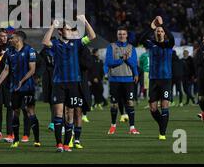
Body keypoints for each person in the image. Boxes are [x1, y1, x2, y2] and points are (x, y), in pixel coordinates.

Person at [42, 15, 96, 152]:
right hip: (58, 83)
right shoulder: (55, 44)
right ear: (60, 31)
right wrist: (53, 26)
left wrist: (85, 21)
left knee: (69, 113)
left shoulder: (77, 42)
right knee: (58, 113)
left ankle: (67, 144)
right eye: (67, 29)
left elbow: (92, 36)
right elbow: (45, 41)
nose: (70, 32)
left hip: (73, 83)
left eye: (71, 30)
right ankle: (59, 144)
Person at [0, 31, 40, 148]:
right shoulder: (9, 52)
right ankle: (16, 139)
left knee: (30, 111)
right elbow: (6, 70)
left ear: (18, 39)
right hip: (14, 88)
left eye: (12, 38)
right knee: (15, 112)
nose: (9, 40)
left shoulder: (30, 50)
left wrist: (21, 81)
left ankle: (37, 139)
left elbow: (32, 69)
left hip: (27, 87)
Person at [139, 16, 174, 140]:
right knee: (153, 108)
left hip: (166, 79)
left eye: (161, 31)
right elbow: (141, 38)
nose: (159, 32)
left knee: (164, 106)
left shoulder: (169, 44)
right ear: (155, 33)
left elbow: (172, 38)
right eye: (157, 31)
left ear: (164, 33)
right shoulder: (150, 44)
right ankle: (162, 123)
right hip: (153, 79)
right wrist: (151, 27)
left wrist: (162, 24)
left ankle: (162, 133)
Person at [105, 27, 140, 135]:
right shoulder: (111, 46)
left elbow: (134, 63)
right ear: (117, 35)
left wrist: (136, 73)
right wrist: (121, 60)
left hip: (128, 79)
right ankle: (113, 126)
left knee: (130, 102)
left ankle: (132, 127)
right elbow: (109, 62)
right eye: (119, 34)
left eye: (123, 34)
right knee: (114, 104)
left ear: (126, 35)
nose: (121, 36)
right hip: (115, 79)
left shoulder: (131, 48)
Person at [38, 37, 56, 131]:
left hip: (57, 77)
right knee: (50, 100)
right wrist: (38, 75)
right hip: (47, 78)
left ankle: (56, 121)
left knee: (57, 101)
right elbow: (39, 64)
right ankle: (53, 121)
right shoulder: (43, 52)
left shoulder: (58, 49)